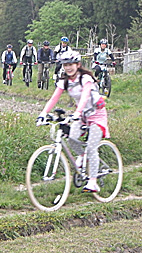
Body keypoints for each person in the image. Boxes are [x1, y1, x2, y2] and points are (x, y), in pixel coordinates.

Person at [36, 51, 108, 193]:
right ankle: (82, 156)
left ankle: (93, 182)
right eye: (65, 65)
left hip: (96, 115)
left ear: (78, 65)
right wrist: (43, 113)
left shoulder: (85, 78)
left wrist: (78, 112)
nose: (68, 68)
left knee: (92, 147)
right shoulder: (65, 81)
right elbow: (54, 98)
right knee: (72, 138)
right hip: (81, 115)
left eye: (71, 65)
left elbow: (85, 95)